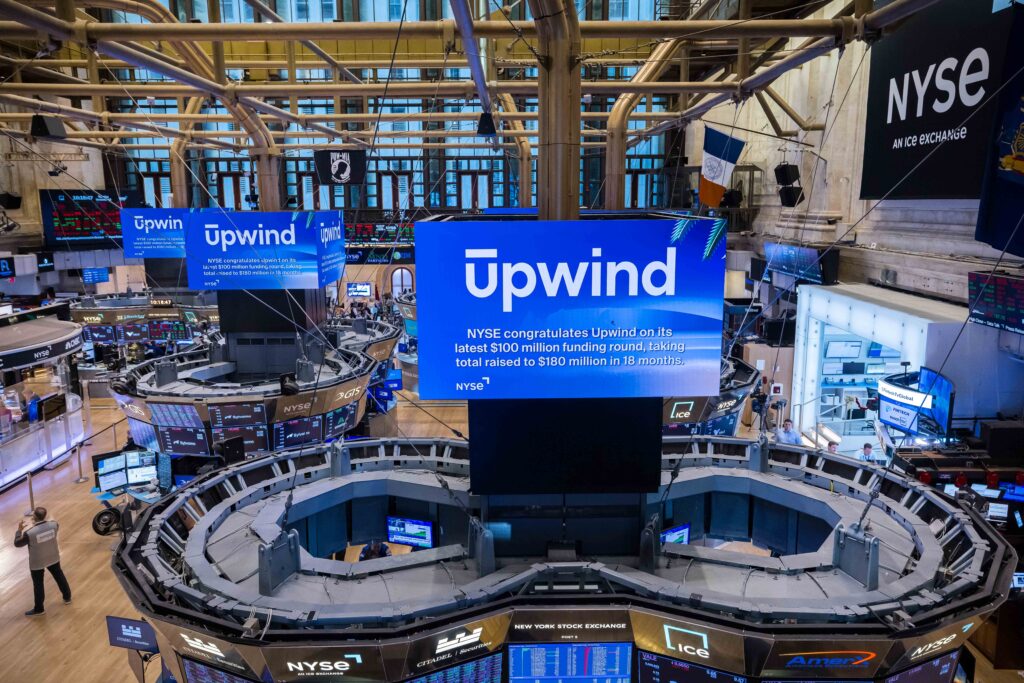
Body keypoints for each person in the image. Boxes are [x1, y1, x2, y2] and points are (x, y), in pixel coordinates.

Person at [15, 507, 72, 616]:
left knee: (38, 584)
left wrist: (19, 530)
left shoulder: (29, 533)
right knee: (59, 576)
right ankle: (67, 597)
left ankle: (39, 609)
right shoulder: (55, 525)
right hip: (53, 556)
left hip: (37, 561)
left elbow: (17, 544)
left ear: (34, 517)